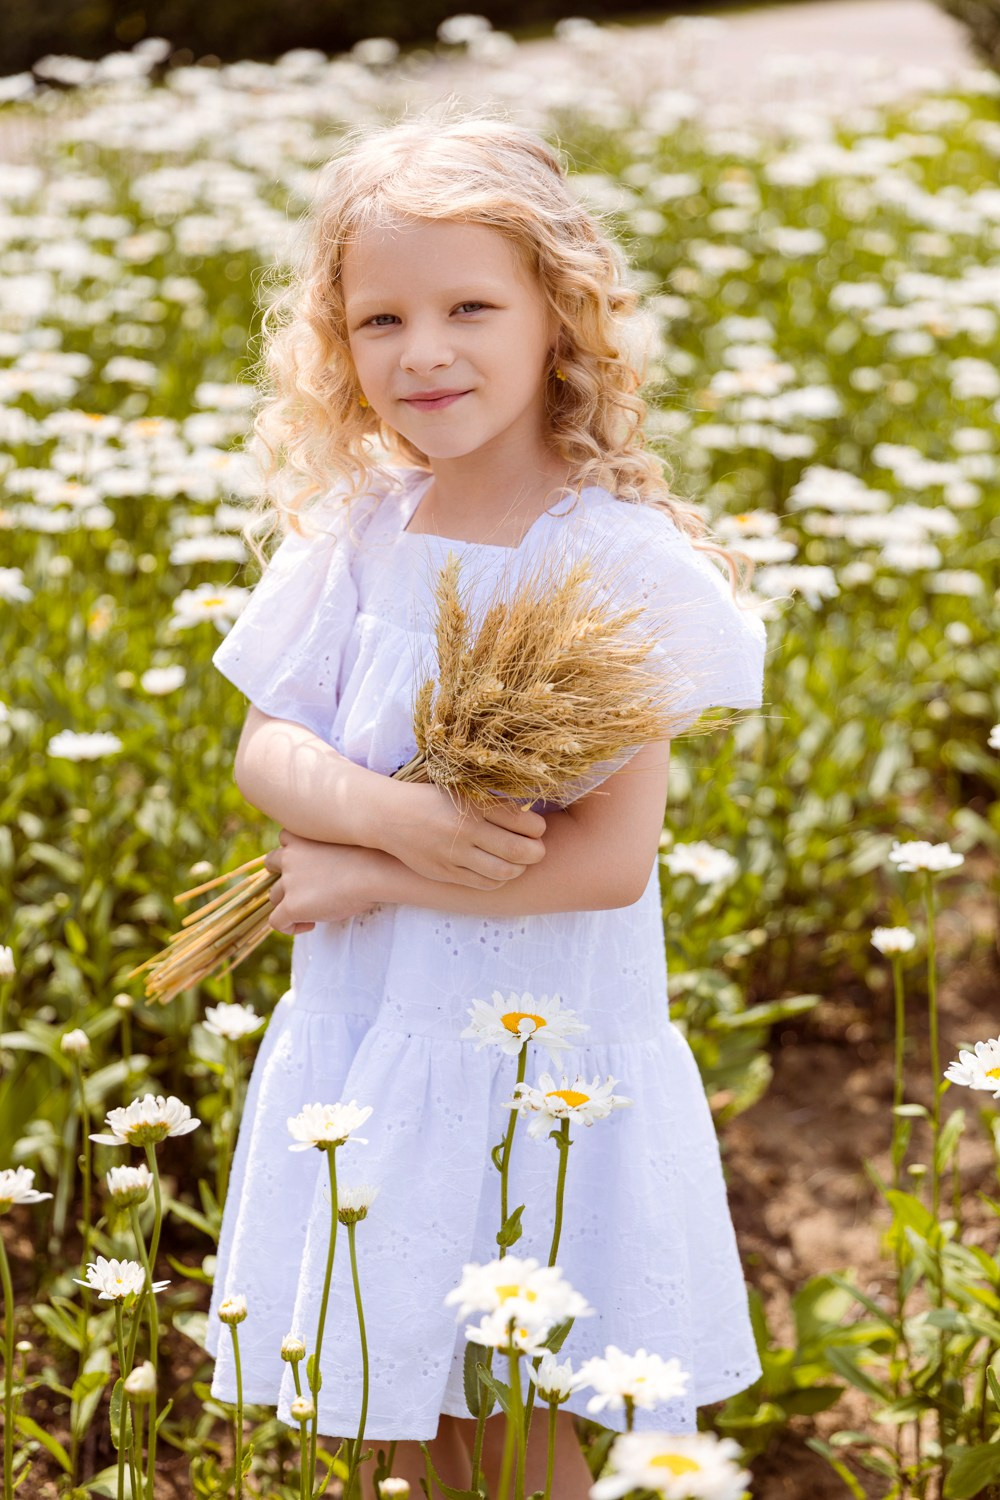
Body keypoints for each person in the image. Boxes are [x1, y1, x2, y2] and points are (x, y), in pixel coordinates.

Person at [204, 111, 768, 1498]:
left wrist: (359, 874)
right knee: (397, 1406)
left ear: (560, 316)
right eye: (381, 319)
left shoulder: (613, 567)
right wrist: (385, 823)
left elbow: (606, 864)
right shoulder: (360, 532)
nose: (425, 353)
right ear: (338, 347)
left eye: (470, 306)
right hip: (377, 1041)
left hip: (528, 1065)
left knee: (524, 1418)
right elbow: (265, 751)